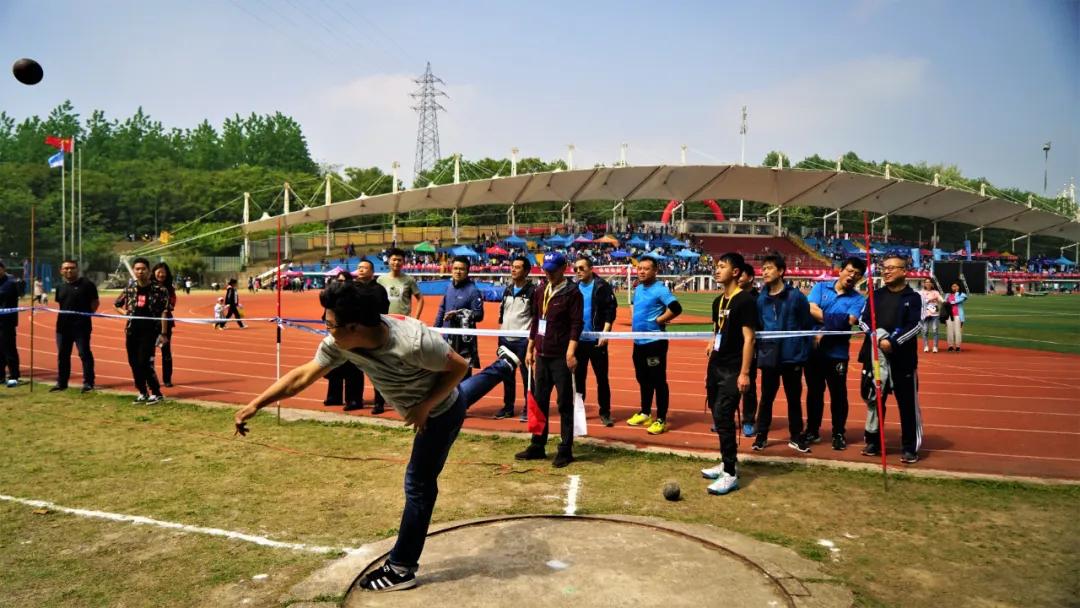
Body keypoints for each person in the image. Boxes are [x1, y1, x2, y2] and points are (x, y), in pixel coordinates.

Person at [233, 281, 522, 592]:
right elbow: (304, 374)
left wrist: (425, 406)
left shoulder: (414, 342)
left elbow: (459, 368)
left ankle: (401, 568)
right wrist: (255, 404)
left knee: (419, 484)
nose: (326, 329)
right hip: (439, 404)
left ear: (355, 326)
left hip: (438, 415)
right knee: (465, 398)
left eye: (329, 324)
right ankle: (504, 365)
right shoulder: (340, 342)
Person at [515, 252, 582, 468]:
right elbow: (536, 320)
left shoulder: (572, 292)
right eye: (546, 269)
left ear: (564, 268)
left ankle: (565, 449)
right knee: (539, 402)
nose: (549, 273)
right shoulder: (540, 290)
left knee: (564, 403)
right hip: (541, 356)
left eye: (553, 269)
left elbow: (576, 324)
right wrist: (530, 348)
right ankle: (537, 445)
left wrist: (571, 352)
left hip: (561, 357)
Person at [701, 253, 758, 495]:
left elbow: (749, 338)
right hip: (715, 365)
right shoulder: (718, 301)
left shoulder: (744, 301)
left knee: (725, 416)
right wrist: (712, 341)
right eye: (716, 266)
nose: (717, 270)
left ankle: (731, 474)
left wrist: (744, 373)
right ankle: (726, 462)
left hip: (733, 368)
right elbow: (717, 329)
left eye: (722, 266)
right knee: (717, 414)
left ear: (735, 272)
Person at [859, 253, 924, 464]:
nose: (886, 271)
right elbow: (863, 320)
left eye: (891, 268)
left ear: (904, 271)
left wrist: (893, 342)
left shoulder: (913, 298)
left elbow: (916, 326)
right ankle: (873, 441)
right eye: (884, 267)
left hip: (902, 360)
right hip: (876, 359)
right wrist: (876, 337)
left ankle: (909, 447)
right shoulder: (875, 295)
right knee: (876, 400)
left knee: (907, 405)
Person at [752, 254, 813, 453]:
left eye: (770, 268)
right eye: (764, 268)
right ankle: (761, 436)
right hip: (770, 355)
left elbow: (806, 325)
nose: (765, 271)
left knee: (793, 398)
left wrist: (801, 351)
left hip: (791, 355)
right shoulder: (761, 299)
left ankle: (796, 436)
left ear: (781, 271)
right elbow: (759, 325)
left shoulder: (796, 297)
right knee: (767, 397)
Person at [804, 257, 866, 451]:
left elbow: (851, 319)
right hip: (814, 351)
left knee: (838, 394)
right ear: (840, 270)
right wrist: (832, 322)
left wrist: (823, 327)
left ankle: (838, 432)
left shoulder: (858, 299)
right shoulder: (821, 288)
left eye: (856, 274)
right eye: (849, 271)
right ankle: (813, 430)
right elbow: (810, 308)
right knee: (814, 392)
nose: (851, 276)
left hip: (837, 354)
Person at [626, 257, 682, 434]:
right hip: (638, 342)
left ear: (655, 271)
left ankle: (661, 419)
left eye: (646, 269)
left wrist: (659, 320)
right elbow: (634, 305)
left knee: (658, 381)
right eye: (640, 268)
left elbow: (676, 307)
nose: (641, 271)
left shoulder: (660, 290)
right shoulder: (639, 288)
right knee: (643, 379)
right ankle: (645, 412)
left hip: (654, 343)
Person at [114, 257, 170, 403]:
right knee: (133, 362)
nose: (140, 272)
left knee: (144, 362)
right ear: (134, 271)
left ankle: (156, 393)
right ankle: (142, 391)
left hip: (150, 331)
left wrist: (164, 334)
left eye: (143, 269)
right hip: (132, 330)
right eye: (137, 269)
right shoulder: (130, 288)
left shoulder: (159, 289)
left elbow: (165, 312)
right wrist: (125, 313)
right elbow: (117, 304)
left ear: (149, 270)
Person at [572, 256, 618, 427]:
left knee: (602, 379)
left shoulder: (601, 286)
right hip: (578, 341)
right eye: (576, 269)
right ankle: (579, 412)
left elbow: (610, 311)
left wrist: (605, 334)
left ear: (591, 268)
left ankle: (605, 412)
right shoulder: (573, 288)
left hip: (597, 340)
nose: (578, 271)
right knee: (578, 379)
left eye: (582, 268)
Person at [494, 256, 535, 420]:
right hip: (505, 339)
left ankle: (529, 408)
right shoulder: (508, 289)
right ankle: (508, 407)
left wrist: (531, 342)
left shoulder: (533, 292)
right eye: (512, 266)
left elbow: (537, 317)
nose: (513, 269)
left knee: (527, 377)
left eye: (517, 267)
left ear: (526, 271)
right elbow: (502, 313)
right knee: (506, 375)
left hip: (523, 341)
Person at [52, 259, 99, 393]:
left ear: (77, 269)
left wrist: (88, 315)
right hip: (62, 328)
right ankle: (62, 383)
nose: (69, 270)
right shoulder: (60, 287)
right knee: (63, 355)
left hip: (81, 327)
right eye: (66, 268)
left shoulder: (87, 284)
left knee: (84, 354)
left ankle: (88, 383)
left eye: (72, 268)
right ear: (61, 271)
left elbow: (95, 302)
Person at [434, 257, 484, 379]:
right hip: (447, 339)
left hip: (464, 344)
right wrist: (435, 330)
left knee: (463, 377)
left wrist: (458, 314)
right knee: (445, 377)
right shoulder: (449, 287)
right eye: (455, 268)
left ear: (467, 272)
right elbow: (442, 308)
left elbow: (479, 315)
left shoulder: (473, 291)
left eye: (462, 269)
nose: (458, 271)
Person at [355, 260, 391, 412]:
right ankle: (354, 400)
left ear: (372, 272)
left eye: (364, 268)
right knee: (355, 368)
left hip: (373, 334)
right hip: (355, 334)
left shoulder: (379, 289)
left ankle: (379, 402)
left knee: (377, 370)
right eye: (359, 267)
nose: (361, 270)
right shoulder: (351, 288)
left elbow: (384, 308)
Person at [735, 262, 759, 436]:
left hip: (750, 347)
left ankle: (749, 420)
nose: (738, 278)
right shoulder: (731, 296)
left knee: (748, 386)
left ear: (750, 277)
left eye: (741, 275)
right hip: (731, 348)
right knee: (728, 385)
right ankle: (727, 418)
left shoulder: (758, 299)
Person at [151, 262, 178, 387]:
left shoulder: (169, 289)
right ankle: (150, 379)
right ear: (154, 272)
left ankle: (167, 379)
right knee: (149, 353)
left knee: (166, 352)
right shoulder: (148, 286)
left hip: (165, 325)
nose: (161, 274)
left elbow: (171, 305)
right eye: (158, 272)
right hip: (149, 324)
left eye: (163, 272)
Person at [378, 248, 424, 319]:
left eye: (399, 260)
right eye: (394, 259)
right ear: (388, 261)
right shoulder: (380, 280)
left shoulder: (409, 280)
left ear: (403, 262)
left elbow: (420, 299)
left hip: (403, 321)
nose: (396, 262)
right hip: (386, 320)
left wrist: (416, 318)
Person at [0, 262, 22, 388]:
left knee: (9, 349)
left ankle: (14, 376)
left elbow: (14, 298)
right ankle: (1, 376)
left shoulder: (10, 284)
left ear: (3, 269)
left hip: (6, 322)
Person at [920, 278, 943, 353]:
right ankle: (926, 346)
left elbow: (940, 299)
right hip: (925, 314)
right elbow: (920, 302)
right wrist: (930, 299)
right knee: (925, 330)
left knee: (935, 330)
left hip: (935, 314)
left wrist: (944, 301)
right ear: (924, 284)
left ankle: (935, 346)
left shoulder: (935, 292)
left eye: (929, 282)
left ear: (932, 284)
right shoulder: (921, 293)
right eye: (926, 282)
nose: (928, 284)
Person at [944, 282, 967, 352]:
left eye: (956, 286)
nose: (954, 288)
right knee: (949, 331)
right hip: (949, 315)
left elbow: (958, 301)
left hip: (958, 315)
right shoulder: (947, 295)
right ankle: (950, 346)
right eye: (953, 286)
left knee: (958, 331)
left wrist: (950, 302)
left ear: (959, 287)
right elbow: (945, 304)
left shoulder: (962, 294)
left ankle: (958, 346)